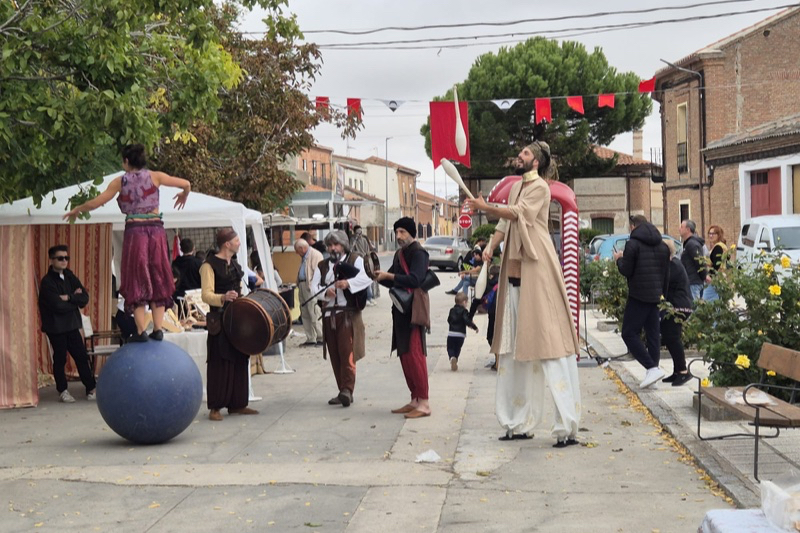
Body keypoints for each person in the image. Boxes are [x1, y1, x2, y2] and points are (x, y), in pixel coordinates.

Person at [467, 141, 582, 446]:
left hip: (538, 272)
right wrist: (491, 247)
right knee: (512, 353)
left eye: (526, 154)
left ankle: (565, 426)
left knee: (550, 348)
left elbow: (517, 213)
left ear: (536, 162)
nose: (520, 156)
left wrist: (484, 207)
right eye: (521, 153)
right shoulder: (517, 186)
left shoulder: (541, 188)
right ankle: (517, 423)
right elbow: (505, 222)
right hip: (514, 277)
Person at [64, 144, 191, 342]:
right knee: (158, 276)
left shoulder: (120, 181)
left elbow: (98, 201)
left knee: (137, 279)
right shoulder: (156, 176)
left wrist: (78, 208)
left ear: (126, 161)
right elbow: (186, 183)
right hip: (156, 230)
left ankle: (141, 331)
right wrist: (185, 194)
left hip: (136, 233)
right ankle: (157, 329)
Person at [375, 217, 432, 419]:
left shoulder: (419, 252)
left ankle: (424, 403)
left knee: (415, 355)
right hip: (400, 309)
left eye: (402, 232)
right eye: (397, 232)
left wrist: (388, 277)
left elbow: (415, 279)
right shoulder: (400, 254)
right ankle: (415, 399)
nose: (398, 236)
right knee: (405, 355)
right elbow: (392, 280)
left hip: (413, 310)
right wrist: (378, 277)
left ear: (411, 233)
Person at [200, 228, 258, 421]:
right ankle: (215, 407)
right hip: (219, 319)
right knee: (219, 361)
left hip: (237, 319)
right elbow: (205, 295)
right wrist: (223, 297)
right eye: (236, 240)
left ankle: (237, 404)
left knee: (240, 358)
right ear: (227, 244)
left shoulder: (234, 264)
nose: (239, 242)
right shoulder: (209, 266)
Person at [310, 230, 372, 407]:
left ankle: (347, 390)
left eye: (335, 244)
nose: (332, 248)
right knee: (335, 355)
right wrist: (325, 292)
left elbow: (368, 276)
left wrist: (348, 283)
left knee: (347, 354)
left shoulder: (355, 259)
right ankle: (342, 389)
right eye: (329, 245)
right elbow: (314, 287)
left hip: (347, 315)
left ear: (343, 244)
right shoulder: (322, 265)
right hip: (329, 314)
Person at [613, 215, 671, 388]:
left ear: (633, 226)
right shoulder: (663, 246)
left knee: (629, 333)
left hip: (638, 296)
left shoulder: (633, 244)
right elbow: (666, 274)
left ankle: (651, 368)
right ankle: (652, 374)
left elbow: (626, 270)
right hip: (656, 296)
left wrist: (619, 260)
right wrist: (663, 296)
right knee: (653, 336)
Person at [38, 245, 97, 403]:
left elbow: (84, 298)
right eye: (60, 258)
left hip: (71, 325)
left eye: (66, 258)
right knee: (60, 359)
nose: (64, 261)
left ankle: (91, 387)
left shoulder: (70, 276)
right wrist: (73, 300)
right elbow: (56, 305)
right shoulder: (47, 282)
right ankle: (63, 390)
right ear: (52, 260)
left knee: (81, 356)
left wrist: (68, 297)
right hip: (56, 328)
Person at [660, 238, 694, 386]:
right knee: (669, 336)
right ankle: (676, 371)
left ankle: (683, 371)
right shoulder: (670, 264)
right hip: (675, 305)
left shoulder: (673, 265)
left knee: (672, 337)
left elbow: (664, 284)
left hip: (680, 307)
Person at [295, 238, 324, 346]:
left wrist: (313, 286)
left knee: (314, 312)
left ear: (302, 248)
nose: (297, 253)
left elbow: (318, 272)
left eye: (297, 251)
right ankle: (311, 337)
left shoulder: (315, 255)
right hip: (303, 285)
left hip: (310, 287)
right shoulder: (304, 256)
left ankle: (321, 336)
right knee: (305, 312)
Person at [447, 292, 478, 371]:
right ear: (464, 302)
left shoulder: (451, 310)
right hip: (461, 334)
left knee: (450, 347)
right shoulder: (464, 311)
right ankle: (456, 358)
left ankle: (452, 357)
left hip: (451, 333)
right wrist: (474, 327)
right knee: (458, 348)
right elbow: (467, 321)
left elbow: (449, 320)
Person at [350, 224, 379, 306]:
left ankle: (369, 297)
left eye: (360, 231)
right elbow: (351, 250)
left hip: (365, 261)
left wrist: (367, 258)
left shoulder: (364, 240)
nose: (359, 233)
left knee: (368, 278)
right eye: (357, 232)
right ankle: (366, 298)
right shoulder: (352, 240)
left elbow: (367, 250)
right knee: (362, 279)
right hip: (357, 261)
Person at [679, 219, 707, 301]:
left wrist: (704, 276)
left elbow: (699, 261)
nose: (679, 229)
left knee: (693, 309)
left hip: (693, 282)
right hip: (693, 281)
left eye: (681, 227)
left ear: (688, 230)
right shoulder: (689, 243)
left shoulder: (691, 244)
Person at [703, 225, 727, 302]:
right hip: (721, 278)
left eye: (713, 234)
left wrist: (710, 275)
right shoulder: (721, 246)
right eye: (709, 233)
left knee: (706, 301)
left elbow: (717, 264)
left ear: (718, 235)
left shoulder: (718, 247)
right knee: (716, 302)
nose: (711, 235)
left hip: (715, 279)